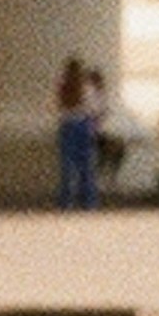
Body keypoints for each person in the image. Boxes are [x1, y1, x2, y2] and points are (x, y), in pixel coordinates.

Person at [54, 55, 101, 211]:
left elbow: (58, 106)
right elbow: (94, 109)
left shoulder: (62, 84)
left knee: (67, 166)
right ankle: (88, 202)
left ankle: (66, 201)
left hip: (67, 125)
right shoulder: (87, 86)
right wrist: (95, 125)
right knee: (86, 166)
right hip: (83, 125)